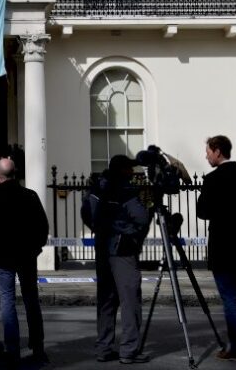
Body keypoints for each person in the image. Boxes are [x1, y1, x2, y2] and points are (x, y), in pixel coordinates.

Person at [81, 155, 151, 364]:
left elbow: (86, 213)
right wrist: (130, 232)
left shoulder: (97, 187)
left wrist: (101, 229)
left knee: (106, 300)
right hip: (122, 250)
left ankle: (104, 347)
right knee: (130, 300)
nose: (133, 172)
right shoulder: (126, 190)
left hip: (102, 247)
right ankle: (129, 350)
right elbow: (141, 218)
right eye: (130, 169)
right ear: (123, 170)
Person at [197, 135, 236, 362]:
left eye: (208, 152)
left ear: (218, 151)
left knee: (230, 298)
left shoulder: (212, 179)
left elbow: (202, 212)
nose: (206, 156)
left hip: (223, 246)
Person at [0, 157, 49, 367]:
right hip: (26, 256)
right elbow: (43, 226)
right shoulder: (29, 196)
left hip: (3, 256)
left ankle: (12, 349)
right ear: (15, 173)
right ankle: (38, 347)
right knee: (31, 300)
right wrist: (36, 248)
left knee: (7, 301)